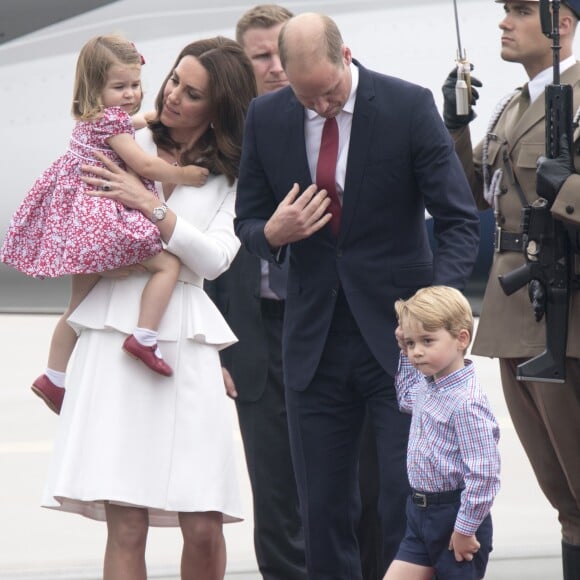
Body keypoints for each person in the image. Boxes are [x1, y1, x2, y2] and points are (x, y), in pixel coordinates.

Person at [234, 12, 480, 579]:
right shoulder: (266, 116)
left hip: (400, 343)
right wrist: (273, 234)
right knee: (320, 511)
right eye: (304, 98)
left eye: (327, 93)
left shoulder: (406, 107)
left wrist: (436, 305)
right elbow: (248, 220)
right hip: (314, 343)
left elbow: (459, 219)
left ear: (346, 57)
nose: (318, 107)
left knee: (403, 503)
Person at [41, 36, 257, 579]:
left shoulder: (232, 176)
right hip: (116, 332)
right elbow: (77, 227)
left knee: (204, 523)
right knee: (127, 524)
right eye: (174, 81)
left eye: (194, 92)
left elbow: (214, 261)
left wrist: (151, 206)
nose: (174, 96)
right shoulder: (117, 141)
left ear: (220, 107)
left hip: (185, 336)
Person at [441, 1, 580, 577]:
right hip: (514, 312)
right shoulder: (511, 106)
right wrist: (455, 126)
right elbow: (469, 193)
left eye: (520, 10)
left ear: (562, 23)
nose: (504, 22)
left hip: (568, 314)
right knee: (564, 498)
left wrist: (566, 188)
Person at [0, 34, 210, 414]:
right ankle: (144, 337)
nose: (131, 94)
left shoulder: (94, 119)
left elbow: (127, 123)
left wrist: (146, 118)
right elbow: (144, 165)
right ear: (95, 88)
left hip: (80, 225)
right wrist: (188, 176)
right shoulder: (113, 123)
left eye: (135, 85)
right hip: (103, 220)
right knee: (168, 264)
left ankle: (53, 376)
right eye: (120, 87)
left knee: (76, 308)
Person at [205, 6, 307, 580]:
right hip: (252, 332)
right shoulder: (220, 139)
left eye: (282, 54)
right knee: (274, 493)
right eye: (261, 57)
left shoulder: (326, 122)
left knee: (350, 486)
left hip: (324, 323)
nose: (275, 68)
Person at [384, 286, 500, 580]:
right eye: (410, 344)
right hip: (419, 514)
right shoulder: (427, 386)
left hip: (455, 518)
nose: (416, 351)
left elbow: (484, 473)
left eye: (427, 340)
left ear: (462, 338)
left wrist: (464, 529)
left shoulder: (467, 402)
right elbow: (406, 398)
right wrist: (402, 347)